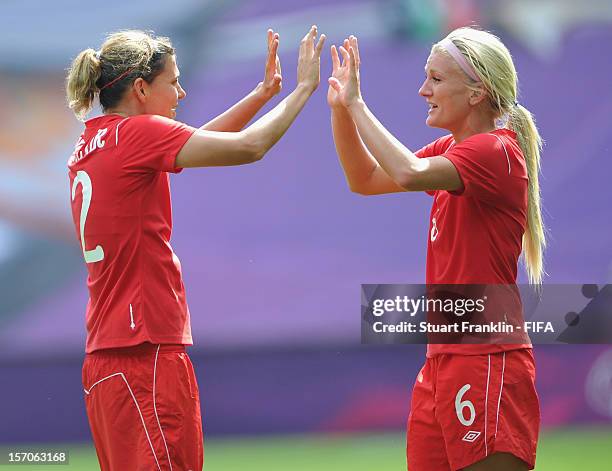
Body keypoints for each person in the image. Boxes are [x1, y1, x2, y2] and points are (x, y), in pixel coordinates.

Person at [66, 26, 325, 471]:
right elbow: (249, 147)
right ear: (142, 88)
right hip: (144, 353)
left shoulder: (92, 143)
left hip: (108, 361)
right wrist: (303, 91)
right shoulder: (139, 134)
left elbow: (196, 143)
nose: (181, 92)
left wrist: (262, 94)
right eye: (174, 81)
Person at [327, 28, 544, 471]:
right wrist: (340, 110)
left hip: (485, 358)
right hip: (444, 359)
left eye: (436, 79)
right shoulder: (458, 148)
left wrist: (357, 104)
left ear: (477, 92)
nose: (423, 90)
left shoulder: (494, 151)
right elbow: (364, 180)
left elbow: (406, 172)